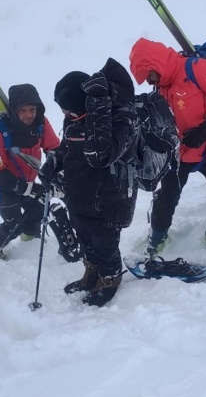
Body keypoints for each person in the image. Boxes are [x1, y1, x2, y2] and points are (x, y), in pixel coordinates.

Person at [129, 37, 206, 255]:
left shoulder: (196, 69)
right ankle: (157, 238)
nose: (150, 82)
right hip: (177, 156)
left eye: (149, 76)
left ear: (155, 65)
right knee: (165, 204)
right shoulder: (160, 87)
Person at [44, 58, 138, 307]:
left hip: (109, 200)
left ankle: (110, 279)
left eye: (67, 109)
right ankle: (92, 273)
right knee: (86, 240)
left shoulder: (121, 118)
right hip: (80, 196)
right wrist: (53, 164)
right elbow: (67, 149)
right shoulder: (75, 118)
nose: (65, 115)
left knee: (105, 245)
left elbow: (101, 155)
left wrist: (98, 106)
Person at [0, 83, 60, 258]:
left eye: (32, 109)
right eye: (23, 110)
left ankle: (31, 238)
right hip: (2, 184)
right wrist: (25, 188)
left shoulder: (41, 124)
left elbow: (55, 148)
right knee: (14, 224)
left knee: (37, 210)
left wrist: (57, 171)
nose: (29, 115)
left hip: (28, 180)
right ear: (14, 110)